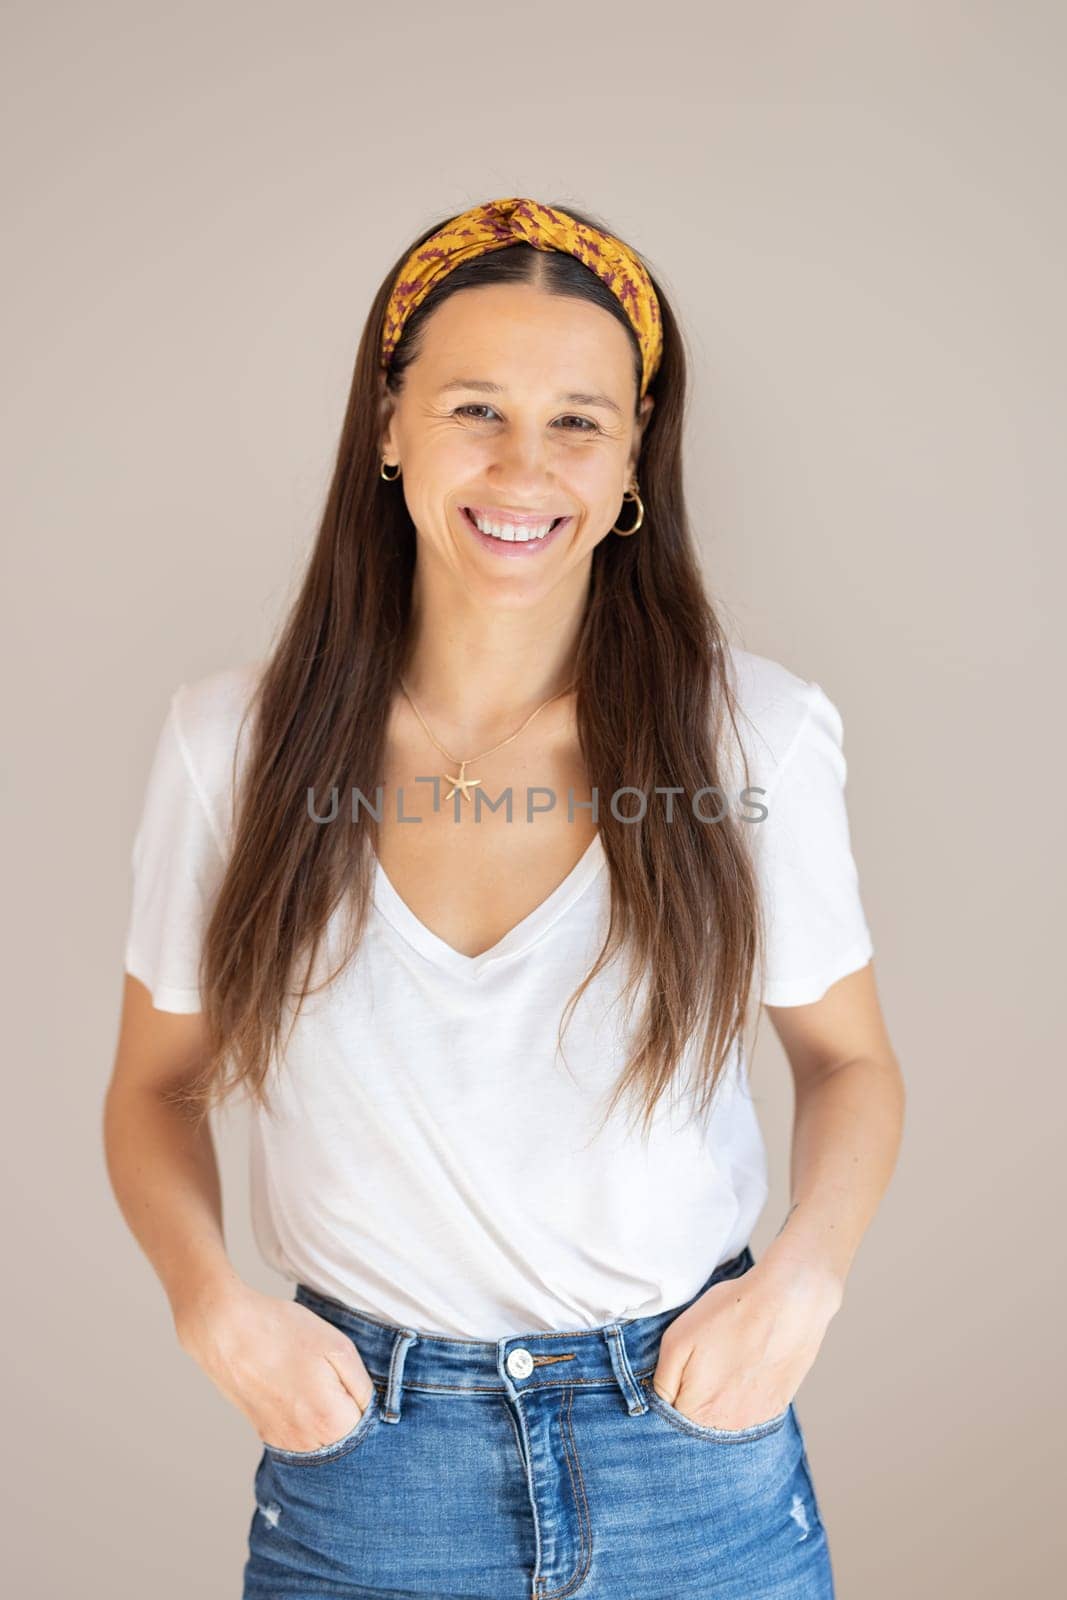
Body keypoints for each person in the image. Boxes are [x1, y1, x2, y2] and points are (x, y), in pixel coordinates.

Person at [104, 196, 905, 1599]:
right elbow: (151, 1087)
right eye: (476, 406)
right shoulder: (231, 750)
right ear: (388, 424)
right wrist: (212, 1308)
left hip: (689, 1464)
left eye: (578, 422)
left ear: (634, 453)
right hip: (370, 1479)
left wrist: (804, 1284)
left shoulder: (749, 740)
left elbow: (850, 1064)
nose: (524, 467)